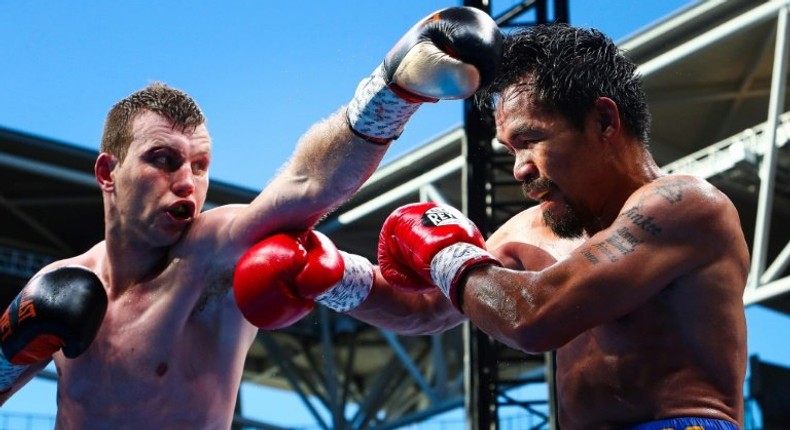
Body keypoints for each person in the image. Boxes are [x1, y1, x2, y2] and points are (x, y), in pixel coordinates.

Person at [0, 7, 503, 429]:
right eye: (163, 159)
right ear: (108, 172)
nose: (187, 182)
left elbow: (308, 182)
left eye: (200, 166)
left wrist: (391, 92)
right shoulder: (58, 284)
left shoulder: (210, 252)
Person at [247, 23, 750, 429]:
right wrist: (332, 276)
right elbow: (428, 307)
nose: (520, 169)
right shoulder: (531, 228)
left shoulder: (683, 205)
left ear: (603, 121)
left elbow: (533, 316)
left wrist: (443, 251)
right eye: (510, 150)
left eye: (531, 140)